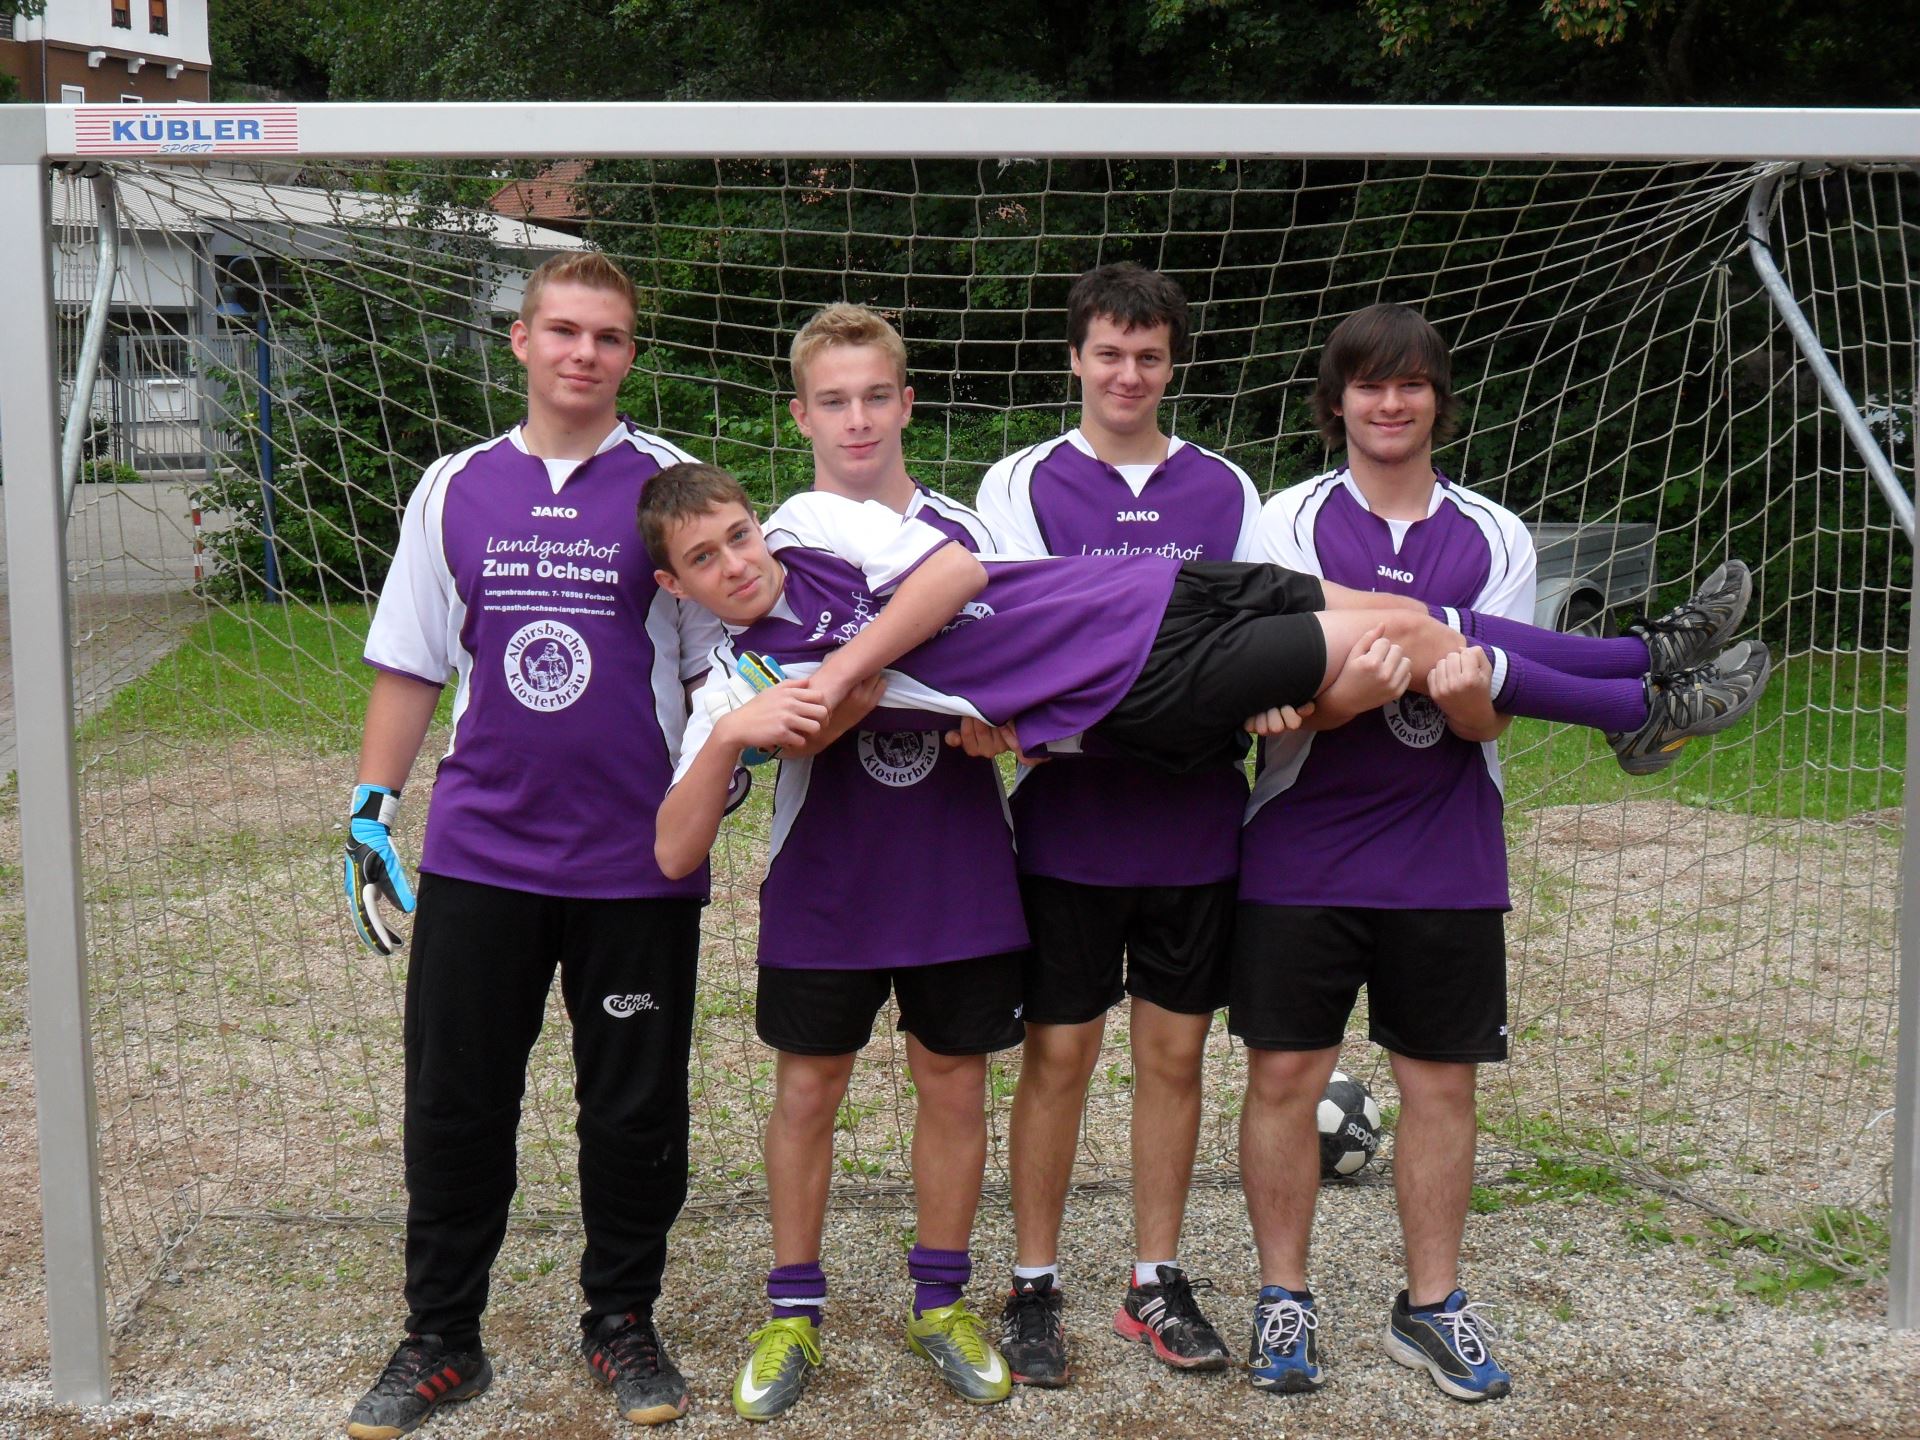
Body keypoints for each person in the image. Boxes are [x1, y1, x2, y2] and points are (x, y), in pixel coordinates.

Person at [1230, 302, 1758, 1403]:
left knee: (1441, 1086)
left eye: (1411, 383)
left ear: (1436, 400)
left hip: (1445, 844)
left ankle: (1433, 1309)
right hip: (1305, 845)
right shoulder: (1284, 520)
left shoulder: (1497, 530)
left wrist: (1469, 697)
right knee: (1283, 1076)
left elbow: (1490, 720)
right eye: (1369, 384)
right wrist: (1361, 689)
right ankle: (1285, 1298)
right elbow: (1275, 692)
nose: (1390, 401)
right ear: (1338, 403)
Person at [340, 252, 717, 1437]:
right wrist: (369, 805)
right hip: (481, 858)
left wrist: (726, 770)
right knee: (456, 1105)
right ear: (520, 339)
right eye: (563, 330)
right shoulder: (454, 487)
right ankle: (442, 1338)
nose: (583, 353)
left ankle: (623, 1321)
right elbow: (411, 659)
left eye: (608, 336)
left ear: (630, 353)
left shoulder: (672, 490)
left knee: (634, 1112)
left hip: (635, 866)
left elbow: (723, 668)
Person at [643, 462, 1766, 850]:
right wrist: (739, 732)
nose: (737, 563)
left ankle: (1644, 654)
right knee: (1410, 633)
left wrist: (836, 677)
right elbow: (675, 851)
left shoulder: (807, 523)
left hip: (1140, 591)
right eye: (706, 559)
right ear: (678, 585)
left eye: (734, 535)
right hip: (1125, 687)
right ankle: (1631, 706)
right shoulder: (736, 681)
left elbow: (955, 576)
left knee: (1399, 602)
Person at [707, 305, 1027, 1422]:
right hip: (828, 863)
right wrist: (865, 681)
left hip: (956, 857)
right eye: (832, 400)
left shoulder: (966, 531)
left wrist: (1006, 726)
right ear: (800, 415)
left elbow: (1024, 680)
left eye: (875, 396)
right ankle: (793, 1310)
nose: (857, 419)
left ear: (907, 403)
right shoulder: (777, 545)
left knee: (953, 1080)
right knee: (809, 1088)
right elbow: (788, 714)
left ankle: (940, 1301)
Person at [970, 264, 1255, 1384]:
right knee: (1058, 1054)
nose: (1126, 373)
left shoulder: (1230, 490)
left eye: (1147, 355)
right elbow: (1020, 648)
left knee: (1175, 1056)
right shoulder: (1023, 481)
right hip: (1071, 826)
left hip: (1194, 820)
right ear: (1076, 359)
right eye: (1108, 353)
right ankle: (1033, 1283)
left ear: (1171, 364)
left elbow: (1242, 645)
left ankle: (1155, 1278)